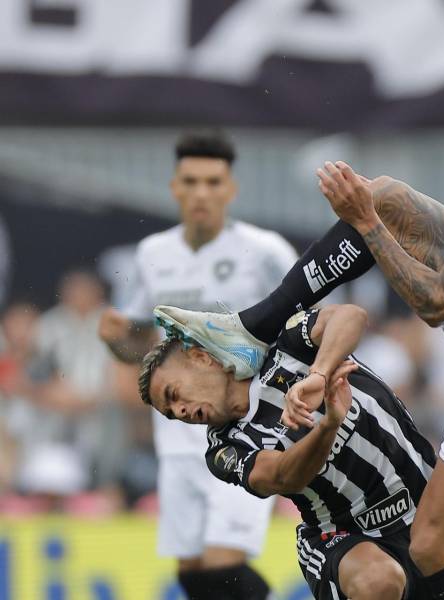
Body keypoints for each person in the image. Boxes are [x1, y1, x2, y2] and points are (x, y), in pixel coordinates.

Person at [155, 33, 444, 598]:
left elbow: (437, 304)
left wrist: (366, 224)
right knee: (386, 195)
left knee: (433, 544)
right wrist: (375, 213)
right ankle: (255, 323)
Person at [139, 302, 444, 599]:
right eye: (170, 412)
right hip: (342, 537)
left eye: (173, 394)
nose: (179, 411)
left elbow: (351, 316)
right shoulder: (223, 448)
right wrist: (328, 425)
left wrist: (319, 373)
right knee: (378, 582)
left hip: (425, 509)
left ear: (200, 357)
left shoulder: (287, 347)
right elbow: (283, 477)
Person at [98, 130, 296, 600]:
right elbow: (145, 354)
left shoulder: (265, 250)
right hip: (176, 436)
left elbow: (306, 319)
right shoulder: (153, 255)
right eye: (191, 181)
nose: (202, 193)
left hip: (245, 429)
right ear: (175, 188)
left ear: (231, 190)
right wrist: (115, 342)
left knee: (223, 567)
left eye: (213, 181)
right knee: (192, 575)